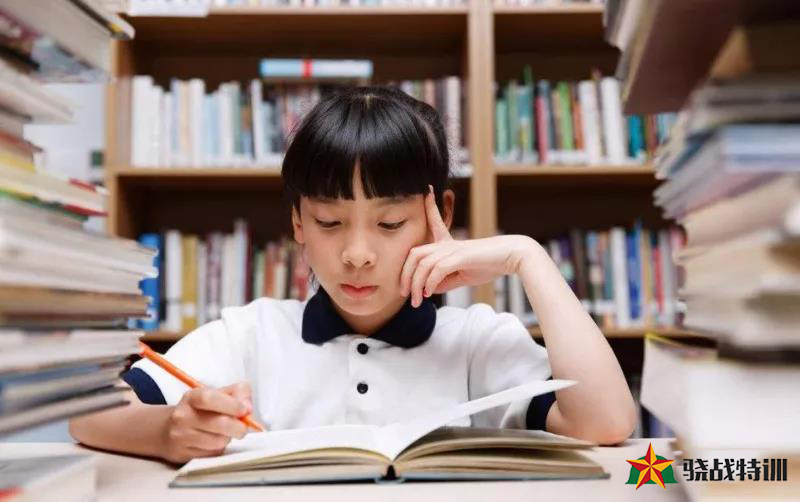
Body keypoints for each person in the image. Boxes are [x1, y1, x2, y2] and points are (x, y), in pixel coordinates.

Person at [69, 86, 637, 464]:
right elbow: (86, 413)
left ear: (440, 214)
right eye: (329, 222)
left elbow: (608, 423)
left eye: (389, 223)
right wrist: (168, 430)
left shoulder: (477, 341)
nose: (358, 254)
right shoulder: (251, 335)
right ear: (298, 221)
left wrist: (528, 257)